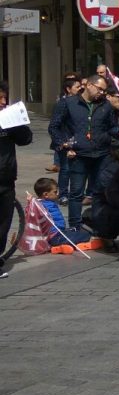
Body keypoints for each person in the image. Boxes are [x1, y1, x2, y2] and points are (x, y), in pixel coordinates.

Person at [48, 74, 119, 232]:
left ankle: (98, 224)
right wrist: (63, 144)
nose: (102, 93)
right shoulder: (69, 103)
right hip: (78, 155)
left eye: (104, 90)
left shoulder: (105, 105)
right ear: (89, 85)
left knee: (99, 191)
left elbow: (112, 126)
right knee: (76, 192)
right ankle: (75, 226)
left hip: (101, 154)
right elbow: (54, 126)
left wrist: (114, 134)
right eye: (100, 89)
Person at [0, 83, 32, 276]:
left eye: (5, 98)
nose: (3, 102)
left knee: (4, 223)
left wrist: (15, 125)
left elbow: (25, 139)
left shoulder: (7, 118)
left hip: (6, 178)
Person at [34, 177, 93, 247]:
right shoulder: (45, 205)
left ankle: (62, 244)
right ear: (46, 194)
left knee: (74, 231)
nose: (57, 194)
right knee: (85, 235)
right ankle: (61, 245)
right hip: (55, 236)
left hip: (57, 233)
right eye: (55, 192)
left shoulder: (39, 203)